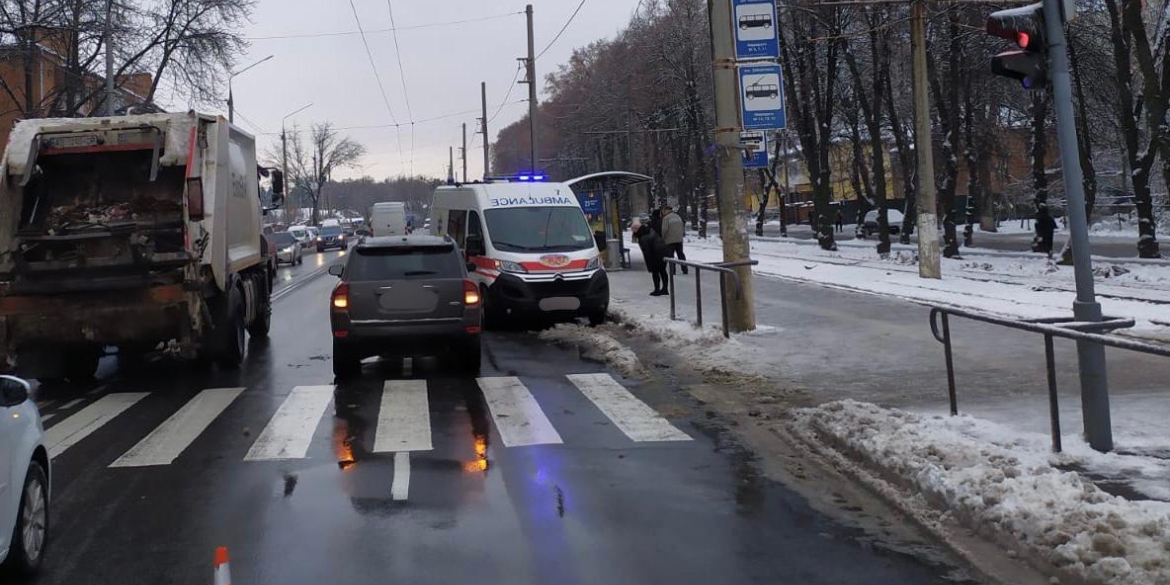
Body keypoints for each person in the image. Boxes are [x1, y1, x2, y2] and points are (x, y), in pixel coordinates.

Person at [633, 221, 670, 296]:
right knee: (662, 271)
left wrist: (650, 266)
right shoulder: (649, 230)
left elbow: (647, 253)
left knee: (655, 272)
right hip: (663, 251)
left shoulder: (643, 237)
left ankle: (657, 289)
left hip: (656, 254)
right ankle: (665, 289)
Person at [661, 204, 687, 274]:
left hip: (670, 240)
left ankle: (673, 271)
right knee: (681, 254)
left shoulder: (666, 218)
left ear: (666, 210)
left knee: (671, 256)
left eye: (663, 211)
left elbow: (664, 229)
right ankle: (685, 269)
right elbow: (682, 226)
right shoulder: (677, 216)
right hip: (679, 239)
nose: (663, 212)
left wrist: (662, 238)